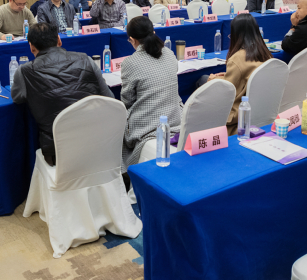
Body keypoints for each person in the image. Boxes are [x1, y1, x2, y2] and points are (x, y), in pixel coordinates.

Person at [11, 22, 114, 166]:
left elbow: (17, 98)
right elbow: (110, 99)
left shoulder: (24, 71)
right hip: (99, 144)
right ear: (59, 40)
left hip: (58, 153)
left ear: (31, 47)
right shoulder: (86, 59)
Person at [121, 16, 183, 171]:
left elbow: (127, 101)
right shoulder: (169, 53)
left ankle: (125, 173)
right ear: (153, 32)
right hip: (175, 117)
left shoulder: (130, 63)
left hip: (146, 125)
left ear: (132, 40)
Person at [203, 14, 272, 135]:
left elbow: (226, 92)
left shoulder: (237, 58)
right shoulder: (266, 54)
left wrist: (213, 80)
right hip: (261, 112)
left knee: (203, 80)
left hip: (237, 118)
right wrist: (225, 75)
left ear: (236, 35)